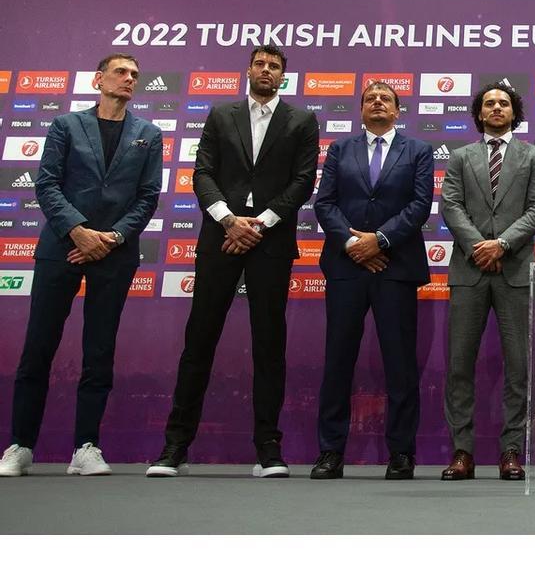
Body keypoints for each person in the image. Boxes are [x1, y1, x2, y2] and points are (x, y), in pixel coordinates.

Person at [146, 45, 319, 478]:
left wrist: (259, 224)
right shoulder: (221, 114)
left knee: (269, 345)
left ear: (284, 76)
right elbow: (202, 173)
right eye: (260, 64)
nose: (266, 70)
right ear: (248, 71)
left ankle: (268, 451)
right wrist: (228, 220)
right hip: (220, 239)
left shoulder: (302, 120)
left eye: (274, 66)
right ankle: (174, 448)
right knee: (199, 340)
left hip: (271, 242)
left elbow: (303, 181)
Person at [0, 54, 162, 478]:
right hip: (61, 247)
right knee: (38, 347)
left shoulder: (149, 133)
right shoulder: (65, 126)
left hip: (115, 253)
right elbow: (47, 183)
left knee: (99, 351)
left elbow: (148, 196)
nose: (130, 79)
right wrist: (78, 231)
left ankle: (86, 447)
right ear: (98, 79)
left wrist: (109, 238)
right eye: (121, 72)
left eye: (135, 76)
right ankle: (20, 445)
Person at [309, 81, 433, 480]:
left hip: (395, 268)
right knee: (338, 361)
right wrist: (352, 243)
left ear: (399, 111)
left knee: (400, 364)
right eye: (369, 99)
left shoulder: (418, 150)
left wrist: (379, 241)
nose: (377, 102)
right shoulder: (340, 149)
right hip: (347, 267)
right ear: (360, 109)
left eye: (385, 99)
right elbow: (324, 203)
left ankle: (401, 453)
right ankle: (330, 452)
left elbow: (419, 205)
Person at [440, 82, 535, 480]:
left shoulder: (533, 156)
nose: (497, 108)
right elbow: (449, 205)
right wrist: (478, 247)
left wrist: (501, 244)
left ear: (514, 111)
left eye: (504, 103)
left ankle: (511, 451)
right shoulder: (459, 156)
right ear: (479, 113)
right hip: (469, 272)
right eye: (489, 103)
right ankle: (462, 452)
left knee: (518, 367)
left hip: (515, 270)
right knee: (459, 366)